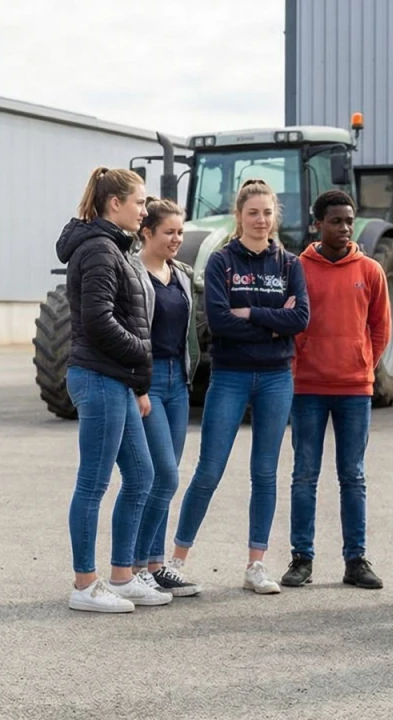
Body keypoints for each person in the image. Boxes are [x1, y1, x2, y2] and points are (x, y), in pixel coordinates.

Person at [169, 179, 309, 595]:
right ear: (239, 216)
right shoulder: (221, 262)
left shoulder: (289, 264)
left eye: (267, 213)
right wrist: (271, 322)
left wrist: (249, 312)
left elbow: (300, 319)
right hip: (229, 376)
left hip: (275, 378)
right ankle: (176, 560)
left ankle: (256, 566)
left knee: (265, 473)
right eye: (253, 213)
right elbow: (218, 322)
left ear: (274, 217)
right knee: (209, 470)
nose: (261, 220)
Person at [58, 167, 169, 613]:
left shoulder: (115, 247)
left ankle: (122, 576)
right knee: (94, 482)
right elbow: (99, 320)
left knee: (141, 476)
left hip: (117, 378)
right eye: (140, 202)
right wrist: (141, 350)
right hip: (99, 376)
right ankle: (85, 584)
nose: (145, 210)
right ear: (115, 204)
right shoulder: (101, 250)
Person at [283, 190, 391, 590]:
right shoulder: (298, 268)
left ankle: (356, 561)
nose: (344, 228)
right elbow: (289, 321)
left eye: (349, 221)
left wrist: (363, 363)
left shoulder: (371, 271)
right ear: (317, 225)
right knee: (304, 476)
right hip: (307, 388)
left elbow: (380, 328)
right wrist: (298, 363)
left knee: (353, 477)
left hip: (354, 390)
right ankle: (301, 559)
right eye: (336, 221)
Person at [132, 198, 204, 597]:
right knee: (164, 475)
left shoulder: (182, 274)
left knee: (167, 476)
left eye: (180, 232)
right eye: (169, 232)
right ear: (147, 232)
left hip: (179, 382)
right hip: (149, 381)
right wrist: (138, 385)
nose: (177, 239)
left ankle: (157, 565)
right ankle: (138, 565)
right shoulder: (133, 273)